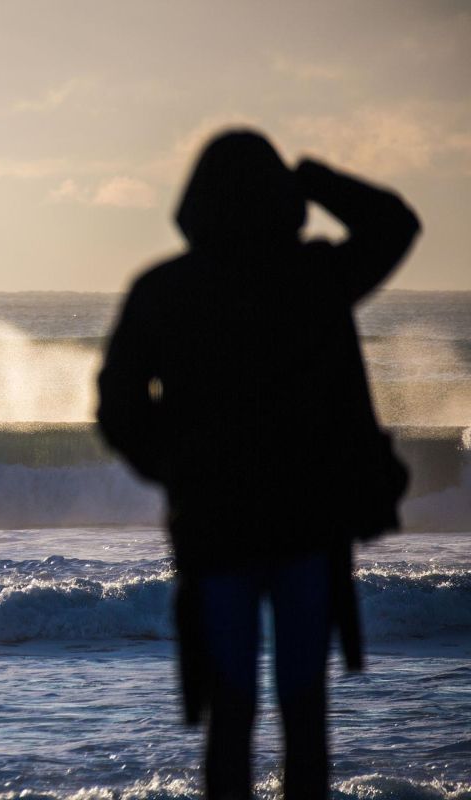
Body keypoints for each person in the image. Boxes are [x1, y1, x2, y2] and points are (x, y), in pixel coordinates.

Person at [95, 129, 420, 800]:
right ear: (280, 198)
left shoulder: (166, 289)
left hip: (216, 530)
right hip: (307, 529)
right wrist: (314, 178)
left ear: (196, 202)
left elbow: (117, 406)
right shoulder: (315, 277)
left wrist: (174, 468)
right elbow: (395, 224)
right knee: (304, 715)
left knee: (230, 715)